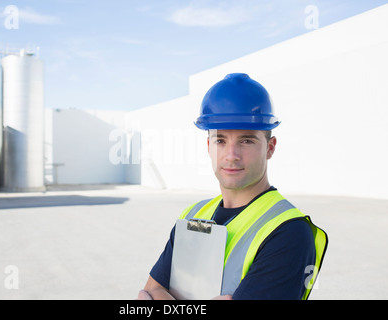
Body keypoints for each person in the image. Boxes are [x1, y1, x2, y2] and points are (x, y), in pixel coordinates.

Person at [137, 73, 328, 300]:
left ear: (270, 147)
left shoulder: (289, 232)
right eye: (220, 140)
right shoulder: (193, 215)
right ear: (209, 146)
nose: (231, 155)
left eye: (246, 141)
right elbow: (149, 292)